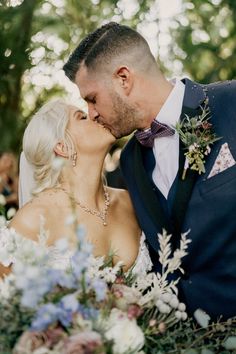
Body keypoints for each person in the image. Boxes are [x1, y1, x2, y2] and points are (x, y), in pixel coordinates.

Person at [63, 22, 236, 320]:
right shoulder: (130, 161)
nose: (91, 113)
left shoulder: (231, 103)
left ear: (123, 79)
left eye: (92, 98)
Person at [0, 99, 152, 277]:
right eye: (82, 117)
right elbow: (10, 300)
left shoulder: (129, 201)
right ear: (62, 146)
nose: (95, 115)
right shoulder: (33, 220)